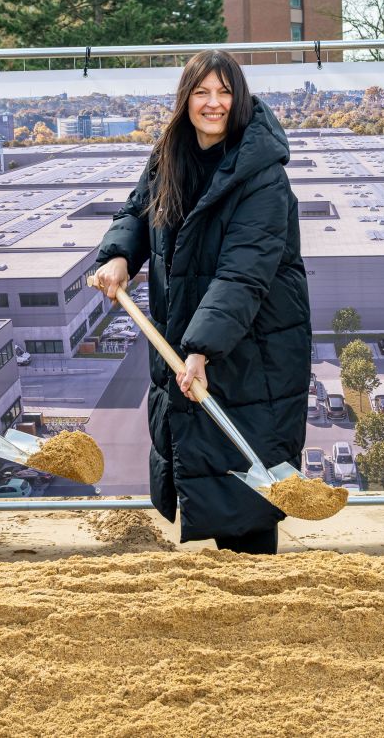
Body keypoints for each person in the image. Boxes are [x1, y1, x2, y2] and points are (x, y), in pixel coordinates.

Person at [93, 49, 310, 554]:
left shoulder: (262, 175)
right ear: (185, 98)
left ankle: (255, 596)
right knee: (210, 466)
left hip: (254, 346)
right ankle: (227, 600)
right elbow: (137, 210)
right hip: (194, 334)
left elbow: (244, 272)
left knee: (246, 476)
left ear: (240, 100)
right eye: (201, 92)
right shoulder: (170, 153)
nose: (213, 103)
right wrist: (122, 253)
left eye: (225, 92)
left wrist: (201, 350)